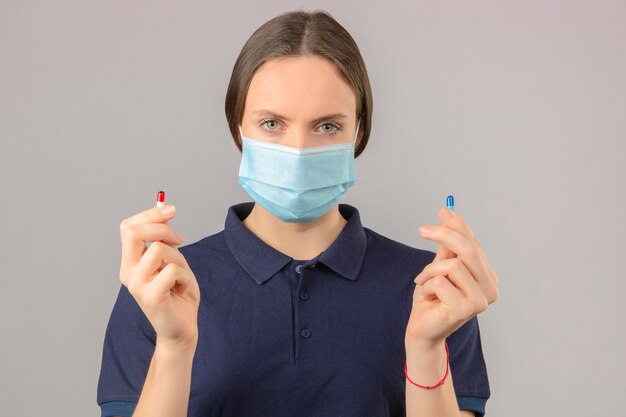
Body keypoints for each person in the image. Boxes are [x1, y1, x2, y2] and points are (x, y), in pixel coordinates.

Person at [96, 9, 499, 417]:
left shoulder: (434, 291)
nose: (299, 151)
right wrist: (175, 347)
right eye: (272, 123)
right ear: (239, 127)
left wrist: (427, 349)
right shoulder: (160, 285)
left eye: (327, 127)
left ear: (358, 131)